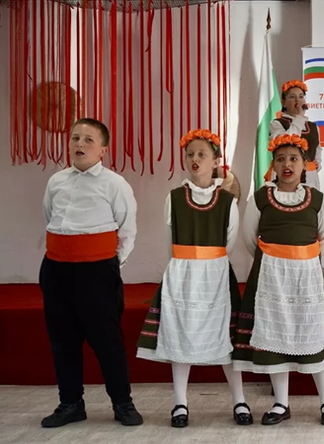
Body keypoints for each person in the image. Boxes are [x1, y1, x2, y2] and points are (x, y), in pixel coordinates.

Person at [136, 129, 252, 427]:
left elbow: (228, 243)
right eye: (190, 154)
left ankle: (239, 399)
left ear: (216, 161)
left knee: (225, 338)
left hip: (215, 275)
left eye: (202, 154)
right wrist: (182, 268)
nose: (195, 159)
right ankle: (180, 403)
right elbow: (169, 240)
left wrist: (207, 263)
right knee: (180, 333)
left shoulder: (227, 201)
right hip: (183, 273)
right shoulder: (174, 198)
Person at [39, 118, 143, 427]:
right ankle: (71, 403)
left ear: (103, 150)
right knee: (63, 340)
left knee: (107, 340)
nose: (79, 144)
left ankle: (122, 403)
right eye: (75, 138)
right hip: (56, 270)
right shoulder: (56, 181)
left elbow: (127, 230)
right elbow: (48, 216)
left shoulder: (114, 184)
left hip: (96, 272)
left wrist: (109, 265)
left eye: (88, 140)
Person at [233, 134, 324, 425]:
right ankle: (281, 403)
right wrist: (275, 259)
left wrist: (300, 259)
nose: (287, 164)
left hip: (306, 277)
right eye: (280, 159)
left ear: (304, 164)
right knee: (274, 336)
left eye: (293, 158)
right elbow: (249, 238)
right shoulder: (261, 198)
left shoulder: (317, 199)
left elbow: (323, 234)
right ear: (274, 165)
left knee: (313, 336)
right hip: (270, 277)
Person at [269, 80, 322, 189]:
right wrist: (299, 117)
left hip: (310, 177)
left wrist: (316, 165)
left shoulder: (313, 126)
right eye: (292, 97)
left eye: (301, 96)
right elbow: (287, 141)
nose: (297, 100)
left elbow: (317, 150)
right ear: (283, 102)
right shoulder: (277, 124)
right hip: (287, 175)